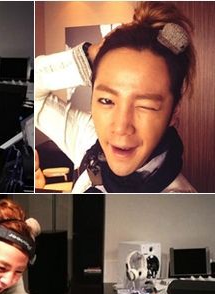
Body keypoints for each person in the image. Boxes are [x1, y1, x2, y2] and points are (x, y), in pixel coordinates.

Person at [34, 1, 197, 192]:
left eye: (145, 106)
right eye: (106, 101)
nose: (121, 128)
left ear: (173, 112)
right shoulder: (88, 139)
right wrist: (88, 56)